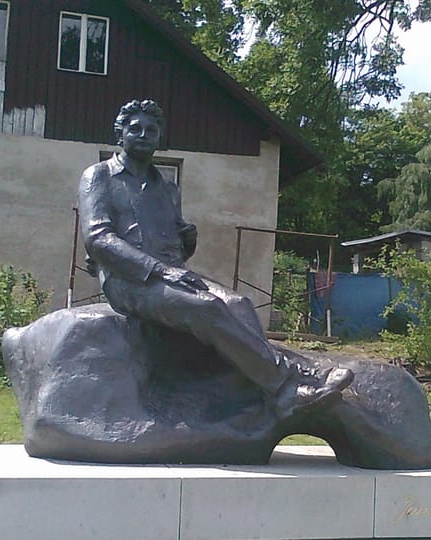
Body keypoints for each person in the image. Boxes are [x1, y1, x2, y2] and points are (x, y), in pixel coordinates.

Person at [78, 99, 353, 418]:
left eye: (151, 130)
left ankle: (271, 389)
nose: (143, 134)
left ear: (160, 137)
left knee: (238, 304)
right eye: (134, 129)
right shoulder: (98, 176)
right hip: (127, 280)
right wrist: (160, 269)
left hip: (171, 274)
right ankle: (286, 386)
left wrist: (186, 242)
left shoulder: (167, 188)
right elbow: (98, 239)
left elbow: (177, 252)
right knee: (207, 308)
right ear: (120, 134)